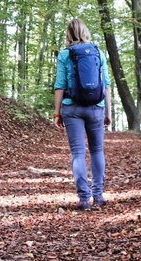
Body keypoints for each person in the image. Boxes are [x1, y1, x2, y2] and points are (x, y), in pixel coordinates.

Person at [53, 18, 112, 210]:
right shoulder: (98, 53)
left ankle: (84, 199)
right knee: (97, 151)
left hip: (72, 108)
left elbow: (60, 85)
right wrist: (108, 112)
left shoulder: (65, 54)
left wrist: (57, 113)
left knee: (78, 152)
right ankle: (98, 195)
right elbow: (107, 84)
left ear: (69, 34)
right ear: (86, 32)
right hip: (96, 107)